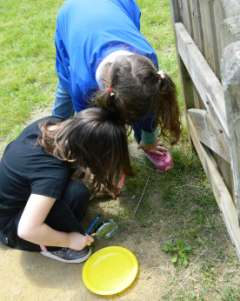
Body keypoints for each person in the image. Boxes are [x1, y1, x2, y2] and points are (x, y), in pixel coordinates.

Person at [53, 0, 181, 174]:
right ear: (109, 91)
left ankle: (145, 142)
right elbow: (91, 124)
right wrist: (105, 157)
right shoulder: (83, 86)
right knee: (66, 86)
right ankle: (54, 131)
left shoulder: (147, 62)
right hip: (71, 16)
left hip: (117, 4)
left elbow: (147, 105)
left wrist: (148, 137)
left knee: (141, 101)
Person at [0, 107, 132, 263]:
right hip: (10, 228)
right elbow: (27, 230)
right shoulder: (52, 174)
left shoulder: (52, 124)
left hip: (12, 202)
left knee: (77, 191)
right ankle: (52, 247)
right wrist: (69, 240)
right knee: (76, 193)